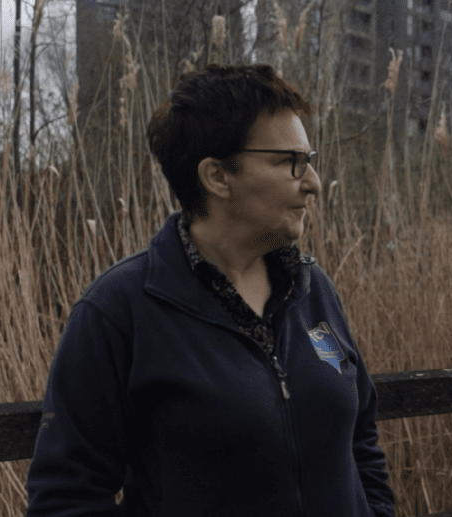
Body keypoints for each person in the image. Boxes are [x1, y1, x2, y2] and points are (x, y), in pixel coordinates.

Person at [26, 64, 395, 517]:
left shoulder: (312, 290)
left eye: (310, 161)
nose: (313, 182)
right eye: (290, 162)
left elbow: (360, 437)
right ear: (218, 176)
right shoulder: (118, 311)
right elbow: (67, 499)